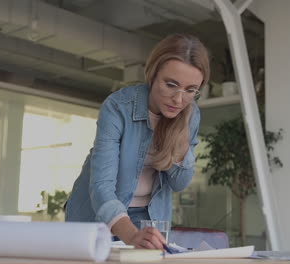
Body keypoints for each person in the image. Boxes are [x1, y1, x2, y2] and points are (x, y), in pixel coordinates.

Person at [65, 33, 210, 250]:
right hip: (97, 214)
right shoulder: (118, 107)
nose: (179, 100)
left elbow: (179, 183)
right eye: (170, 85)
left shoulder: (190, 114)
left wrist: (180, 141)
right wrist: (131, 235)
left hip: (149, 217)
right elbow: (102, 185)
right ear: (152, 75)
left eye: (190, 90)